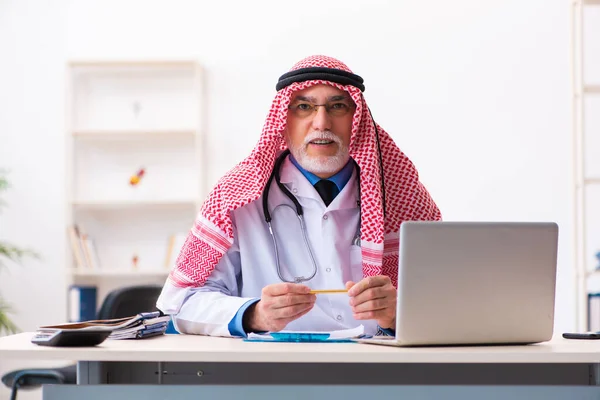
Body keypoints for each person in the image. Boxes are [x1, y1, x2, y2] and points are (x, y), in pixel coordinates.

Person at [156, 55, 442, 337]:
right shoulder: (235, 198)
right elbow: (182, 303)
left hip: (379, 368)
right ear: (284, 120)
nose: (321, 123)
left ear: (357, 119)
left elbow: (449, 302)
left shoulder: (403, 197)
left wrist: (397, 313)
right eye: (304, 107)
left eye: (338, 106)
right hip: (274, 371)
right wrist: (254, 314)